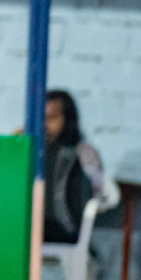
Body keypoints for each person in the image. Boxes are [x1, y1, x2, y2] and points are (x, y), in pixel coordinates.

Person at [42, 89, 111, 244]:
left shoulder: (82, 152)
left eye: (52, 118)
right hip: (40, 225)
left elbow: (97, 192)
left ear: (68, 119)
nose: (45, 124)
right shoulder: (39, 151)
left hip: (65, 228)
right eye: (43, 118)